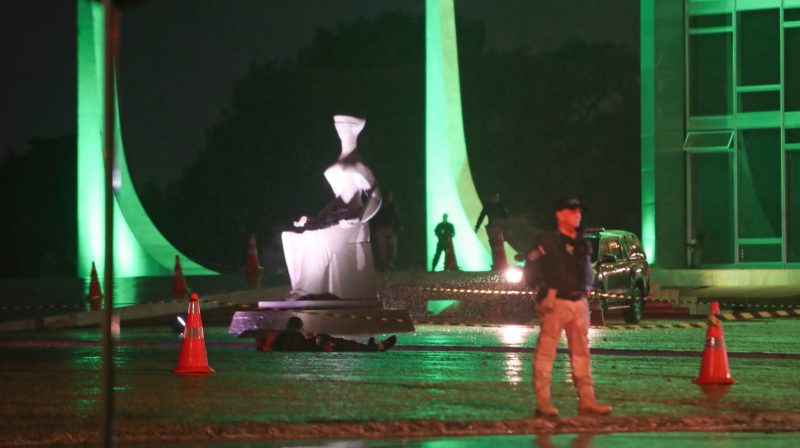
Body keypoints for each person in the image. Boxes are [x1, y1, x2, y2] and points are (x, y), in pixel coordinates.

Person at [523, 198, 612, 417]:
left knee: (581, 353)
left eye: (579, 211)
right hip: (556, 301)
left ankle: (587, 400)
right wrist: (543, 291)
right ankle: (543, 402)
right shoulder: (547, 240)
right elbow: (530, 269)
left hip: (578, 302)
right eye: (572, 211)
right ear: (560, 215)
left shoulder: (582, 242)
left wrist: (586, 290)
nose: (577, 215)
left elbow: (586, 271)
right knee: (547, 352)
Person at [281, 115, 382, 300]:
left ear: (354, 130)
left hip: (350, 222)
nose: (339, 130)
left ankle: (309, 290)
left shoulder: (359, 163)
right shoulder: (338, 163)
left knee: (316, 238)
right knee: (291, 237)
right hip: (336, 217)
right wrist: (315, 219)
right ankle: (300, 287)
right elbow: (336, 201)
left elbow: (376, 196)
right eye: (338, 126)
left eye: (344, 126)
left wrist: (359, 218)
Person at [256, 316, 397, 352]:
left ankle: (370, 347)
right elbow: (304, 346)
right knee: (347, 346)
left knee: (348, 344)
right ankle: (378, 348)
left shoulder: (283, 337)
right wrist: (321, 344)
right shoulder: (284, 340)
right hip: (322, 343)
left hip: (321, 340)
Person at [474, 192, 510, 270]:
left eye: (497, 197)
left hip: (498, 228)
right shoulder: (489, 206)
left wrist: (507, 228)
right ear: (492, 197)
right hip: (492, 228)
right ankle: (497, 263)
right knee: (494, 245)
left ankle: (501, 263)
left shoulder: (500, 205)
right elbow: (481, 216)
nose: (496, 198)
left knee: (499, 245)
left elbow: (506, 217)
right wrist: (477, 226)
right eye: (495, 197)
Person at [371, 191, 403, 271]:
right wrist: (373, 229)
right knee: (381, 249)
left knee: (392, 249)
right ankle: (382, 265)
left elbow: (397, 217)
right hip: (380, 229)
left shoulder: (393, 207)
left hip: (390, 229)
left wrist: (399, 225)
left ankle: (389, 264)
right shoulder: (377, 207)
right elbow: (373, 218)